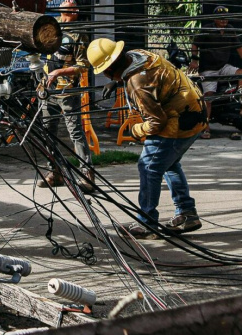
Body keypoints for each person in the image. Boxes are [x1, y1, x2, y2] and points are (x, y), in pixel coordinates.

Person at [87, 38, 206, 238]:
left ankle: (147, 222)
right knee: (168, 163)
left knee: (149, 166)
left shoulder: (137, 84)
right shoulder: (138, 55)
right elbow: (140, 76)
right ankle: (187, 213)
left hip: (178, 120)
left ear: (107, 69)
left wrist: (136, 131)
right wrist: (117, 82)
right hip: (195, 111)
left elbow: (156, 122)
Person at [189, 5, 242, 139]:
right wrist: (194, 60)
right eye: (221, 18)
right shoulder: (207, 29)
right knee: (209, 96)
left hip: (223, 67)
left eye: (226, 18)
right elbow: (195, 44)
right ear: (215, 19)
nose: (224, 21)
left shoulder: (230, 30)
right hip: (208, 69)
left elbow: (240, 48)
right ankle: (206, 127)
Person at [40, 0, 90, 162]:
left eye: (70, 0)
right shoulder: (52, 24)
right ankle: (54, 170)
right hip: (47, 90)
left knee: (75, 132)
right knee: (48, 131)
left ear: (75, 11)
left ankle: (86, 172)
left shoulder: (78, 36)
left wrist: (58, 73)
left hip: (67, 92)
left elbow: (83, 65)